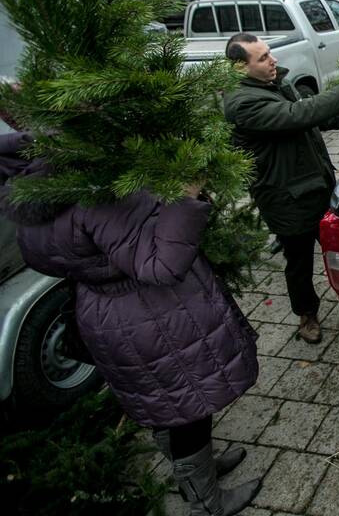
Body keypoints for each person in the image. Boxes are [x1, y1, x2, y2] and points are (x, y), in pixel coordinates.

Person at [0, 132, 261, 516]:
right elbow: (162, 264)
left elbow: (45, 260)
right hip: (154, 315)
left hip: (106, 312)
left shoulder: (37, 192)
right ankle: (207, 503)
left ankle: (196, 472)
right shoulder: (98, 194)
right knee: (188, 405)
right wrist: (186, 197)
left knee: (165, 403)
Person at [223, 33, 339, 344]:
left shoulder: (272, 85)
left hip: (317, 187)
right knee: (300, 261)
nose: (272, 60)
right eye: (262, 58)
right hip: (287, 200)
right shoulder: (243, 102)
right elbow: (294, 116)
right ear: (240, 68)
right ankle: (307, 315)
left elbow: (298, 123)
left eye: (269, 53)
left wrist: (332, 118)